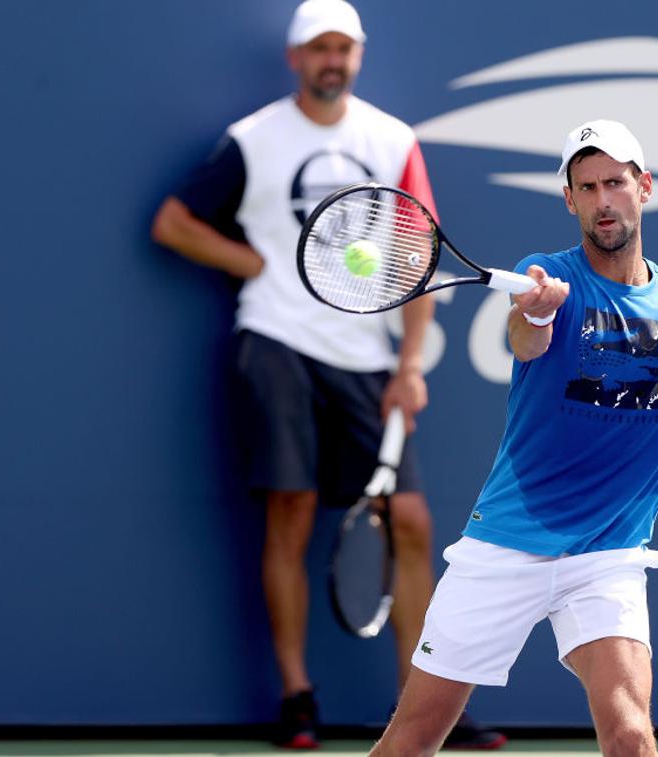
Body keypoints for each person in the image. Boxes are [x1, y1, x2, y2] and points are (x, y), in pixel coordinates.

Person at [369, 119, 658, 756]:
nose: (602, 199)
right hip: (508, 542)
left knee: (629, 735)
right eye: (585, 187)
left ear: (643, 187)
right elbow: (525, 339)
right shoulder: (546, 276)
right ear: (570, 200)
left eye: (614, 182)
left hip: (607, 552)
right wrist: (536, 311)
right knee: (413, 742)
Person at [150, 0, 504, 749]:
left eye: (343, 48)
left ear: (359, 56)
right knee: (293, 509)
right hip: (275, 341)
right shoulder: (253, 140)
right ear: (296, 58)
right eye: (318, 48)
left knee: (408, 520)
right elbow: (173, 222)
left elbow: (417, 259)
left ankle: (425, 706)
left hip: (368, 360)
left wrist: (410, 366)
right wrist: (255, 263)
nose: (331, 60)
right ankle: (297, 695)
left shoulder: (392, 140)